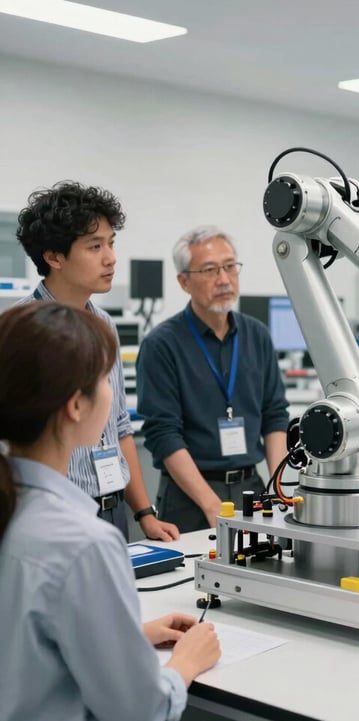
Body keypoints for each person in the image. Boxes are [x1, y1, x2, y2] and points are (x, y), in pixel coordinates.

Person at [0, 302, 220, 721]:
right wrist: (186, 663)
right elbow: (140, 710)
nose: (112, 392)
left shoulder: (17, 510)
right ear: (75, 406)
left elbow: (24, 645)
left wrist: (125, 638)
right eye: (105, 379)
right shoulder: (84, 544)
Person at [16, 181, 179, 541]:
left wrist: (144, 513)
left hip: (113, 510)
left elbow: (118, 425)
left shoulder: (104, 325)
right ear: (54, 257)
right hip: (55, 516)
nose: (110, 258)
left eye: (111, 243)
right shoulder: (22, 330)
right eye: (95, 246)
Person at [136, 226, 289, 532]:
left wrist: (278, 488)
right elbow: (163, 434)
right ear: (184, 282)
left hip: (251, 488)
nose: (223, 279)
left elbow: (274, 415)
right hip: (190, 497)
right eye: (209, 270)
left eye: (230, 266)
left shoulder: (256, 335)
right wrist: (210, 504)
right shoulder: (161, 345)